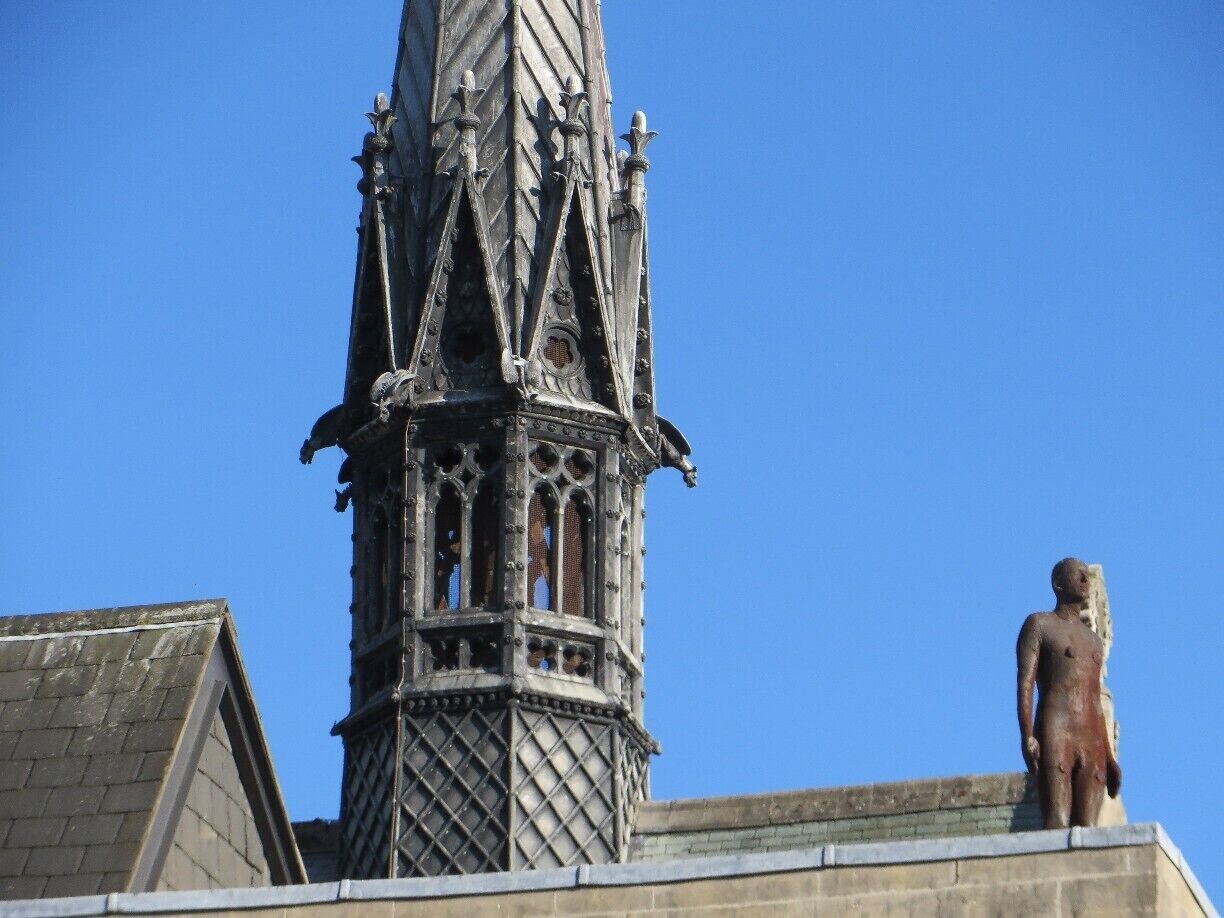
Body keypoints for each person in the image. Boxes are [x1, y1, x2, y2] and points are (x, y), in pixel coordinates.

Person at [1016, 558, 1122, 828]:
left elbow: (1095, 701)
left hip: (1091, 736)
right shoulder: (1040, 625)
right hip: (1056, 728)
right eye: (1079, 575)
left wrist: (1109, 756)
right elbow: (1026, 683)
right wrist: (1027, 734)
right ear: (1058, 584)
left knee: (1088, 827)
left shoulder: (1093, 641)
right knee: (1057, 821)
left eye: (1087, 575)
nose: (1086, 581)